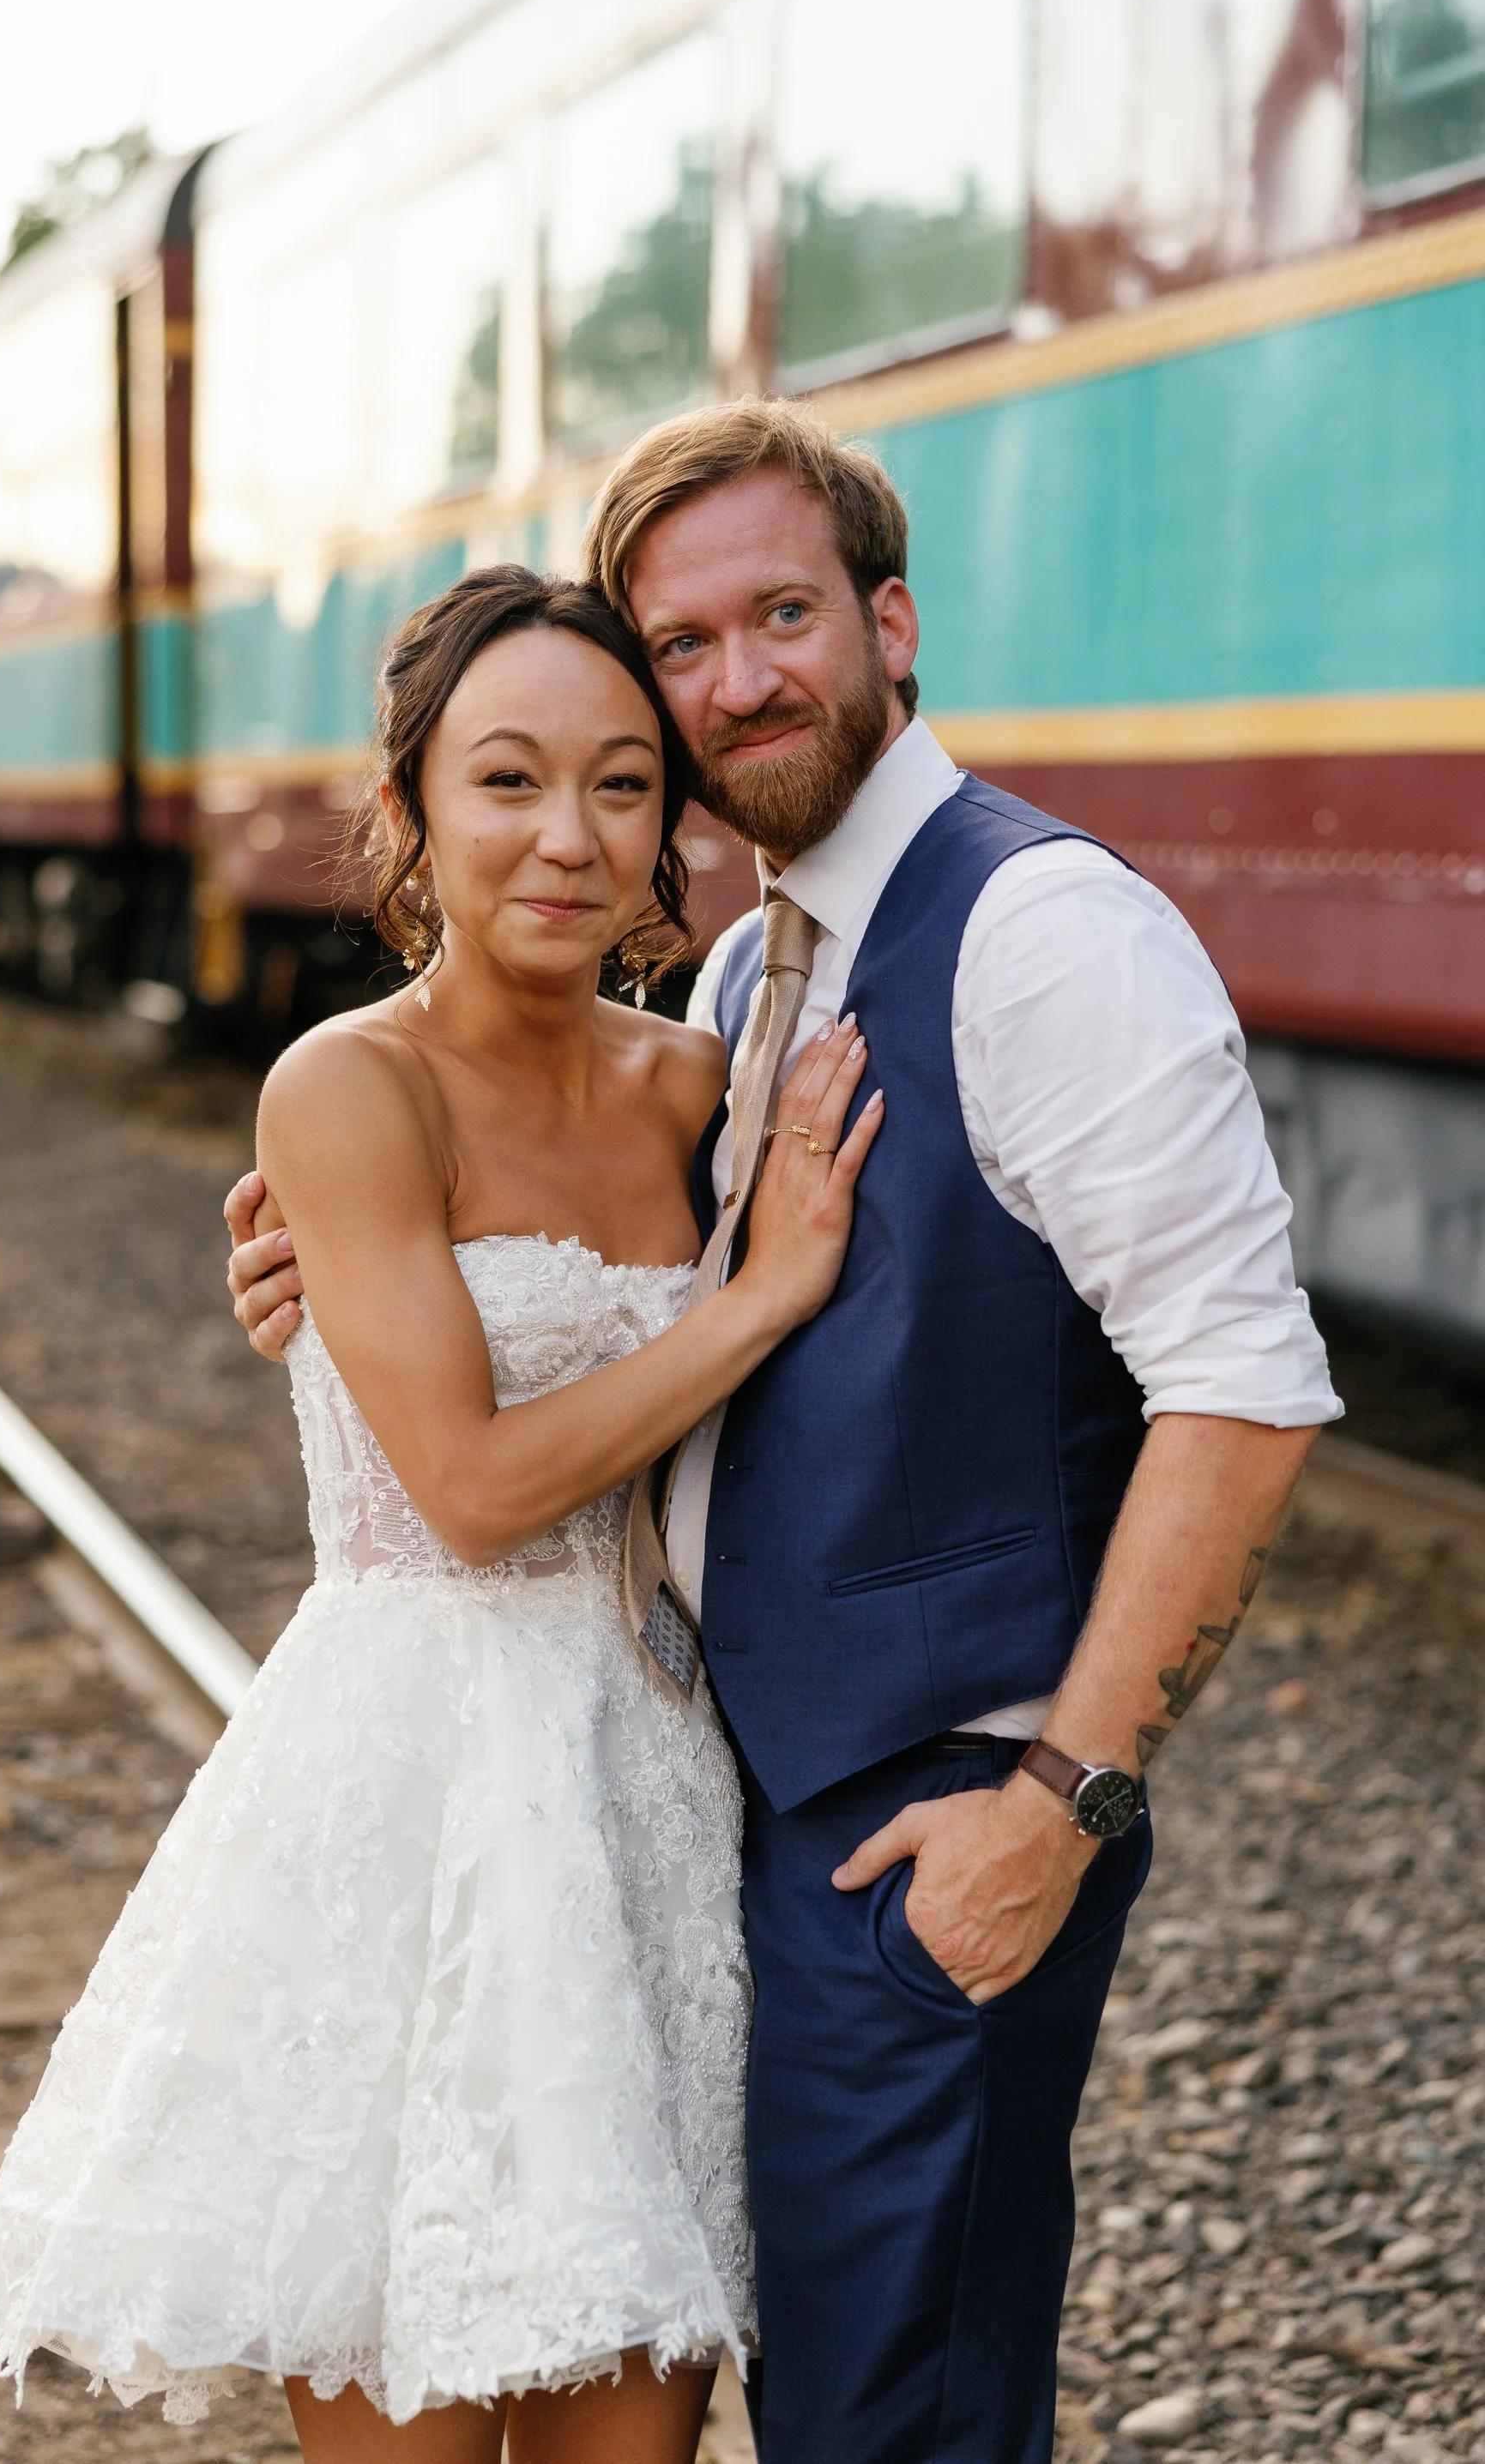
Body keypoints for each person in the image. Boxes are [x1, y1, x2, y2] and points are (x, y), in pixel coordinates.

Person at [227, 400, 1342, 2464]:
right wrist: (356, 1291)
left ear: (890, 625)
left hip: (939, 1811)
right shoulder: (743, 979)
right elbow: (590, 1316)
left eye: (785, 615)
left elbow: (1244, 1380)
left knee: (886, 2419)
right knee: (812, 2390)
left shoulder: (1043, 928)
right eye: (684, 640)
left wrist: (1062, 1798)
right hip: (696, 1811)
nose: (737, 678)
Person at [0, 564, 884, 2461]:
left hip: (650, 1786)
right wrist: (760, 1289)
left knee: (638, 2426)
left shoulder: (702, 1079)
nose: (568, 836)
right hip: (409, 1797)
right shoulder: (344, 1086)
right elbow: (468, 1487)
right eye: (507, 779)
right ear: (416, 811)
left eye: (623, 784)